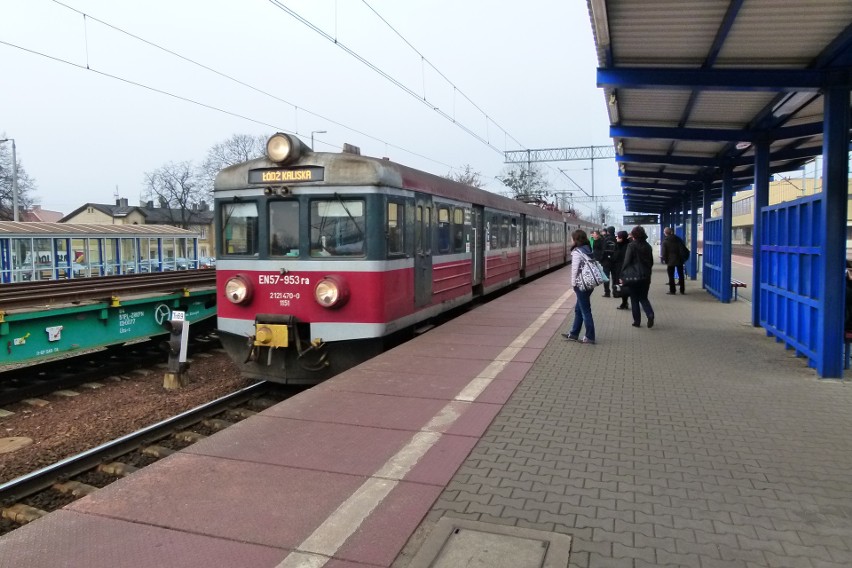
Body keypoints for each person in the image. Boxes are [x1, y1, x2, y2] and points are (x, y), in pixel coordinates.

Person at [562, 229, 596, 344]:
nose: (571, 240)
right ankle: (574, 334)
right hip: (589, 283)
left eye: (572, 238)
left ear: (576, 239)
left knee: (585, 310)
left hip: (581, 284)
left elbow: (574, 270)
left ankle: (590, 337)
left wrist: (573, 284)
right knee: (578, 309)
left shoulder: (577, 252)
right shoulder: (588, 249)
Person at [621, 225, 655, 328]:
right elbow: (651, 262)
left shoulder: (631, 246)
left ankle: (637, 321)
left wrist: (622, 274)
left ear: (634, 235)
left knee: (634, 299)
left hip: (633, 277)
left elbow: (627, 261)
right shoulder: (648, 246)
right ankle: (650, 314)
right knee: (644, 298)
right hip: (646, 276)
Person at [660, 227, 686, 295]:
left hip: (670, 260)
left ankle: (672, 290)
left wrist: (664, 259)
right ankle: (682, 290)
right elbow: (683, 248)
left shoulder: (665, 241)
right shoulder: (678, 239)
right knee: (681, 274)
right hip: (679, 259)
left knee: (671, 275)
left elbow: (664, 252)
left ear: (665, 233)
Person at [611, 230, 630, 310]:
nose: (616, 237)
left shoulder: (627, 247)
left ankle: (625, 303)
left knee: (624, 286)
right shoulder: (619, 245)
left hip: (623, 269)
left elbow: (616, 257)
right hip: (618, 269)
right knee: (622, 286)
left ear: (622, 238)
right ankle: (624, 302)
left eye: (618, 236)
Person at [598, 226, 617, 298]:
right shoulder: (616, 239)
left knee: (606, 277)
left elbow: (603, 251)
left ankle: (607, 292)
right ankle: (615, 292)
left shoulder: (606, 239)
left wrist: (601, 259)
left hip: (606, 262)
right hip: (614, 262)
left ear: (608, 231)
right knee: (615, 278)